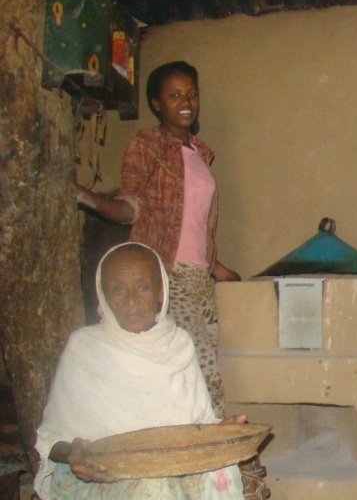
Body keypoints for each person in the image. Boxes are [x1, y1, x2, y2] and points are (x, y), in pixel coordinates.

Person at [34, 242, 259, 500]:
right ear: (103, 296)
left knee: (216, 475)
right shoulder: (86, 347)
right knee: (154, 491)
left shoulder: (178, 343)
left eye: (142, 288)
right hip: (99, 481)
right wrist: (73, 454)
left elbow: (197, 422)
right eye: (118, 290)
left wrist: (220, 433)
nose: (131, 300)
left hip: (171, 470)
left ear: (160, 292)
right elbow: (54, 438)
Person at [76, 61, 238, 417]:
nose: (186, 102)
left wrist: (217, 268)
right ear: (156, 104)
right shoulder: (146, 144)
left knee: (211, 364)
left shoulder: (200, 153)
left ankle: (202, 452)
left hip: (198, 280)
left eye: (192, 94)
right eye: (175, 95)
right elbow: (132, 208)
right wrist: (89, 198)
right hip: (166, 275)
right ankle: (214, 459)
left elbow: (193, 223)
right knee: (201, 372)